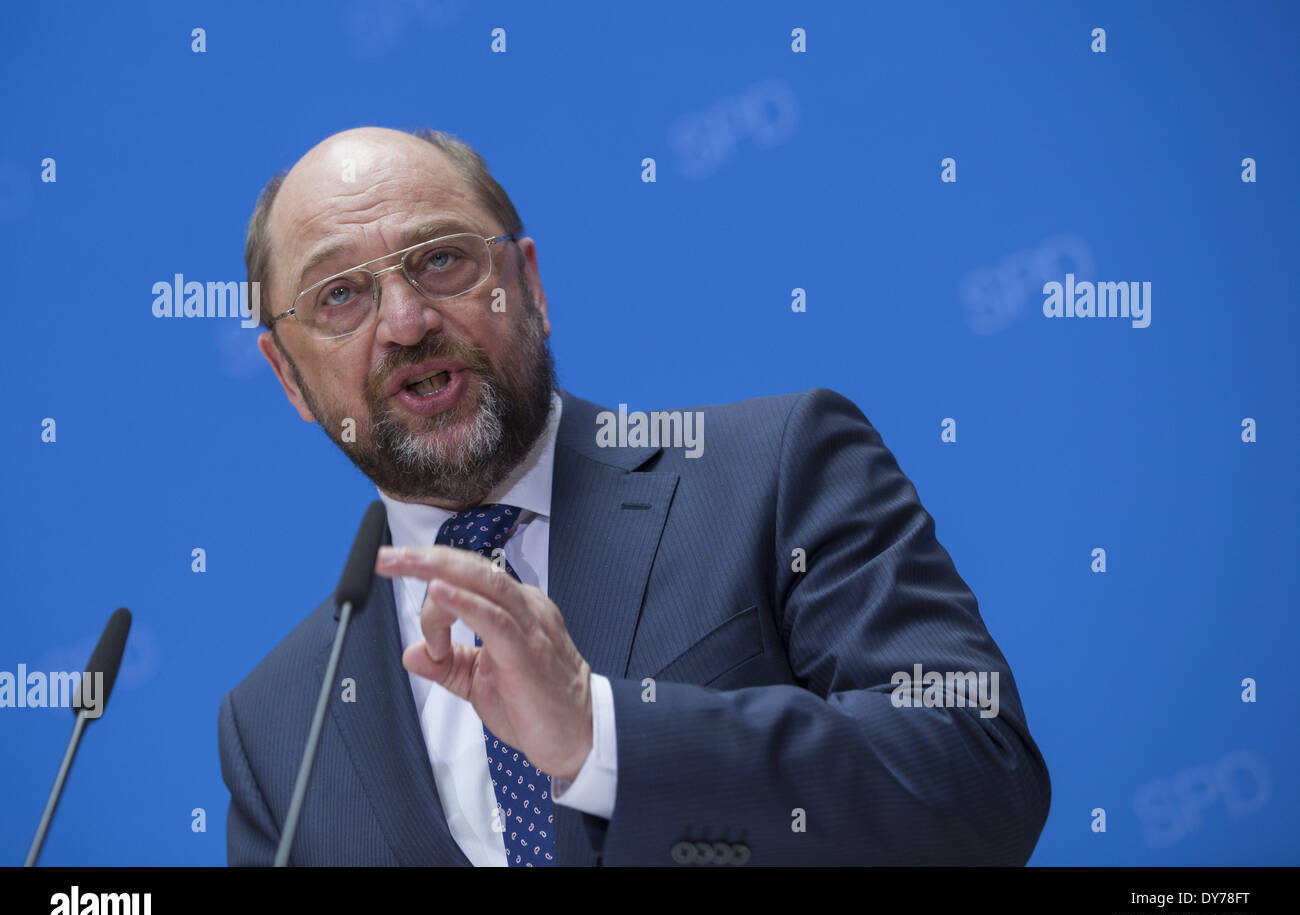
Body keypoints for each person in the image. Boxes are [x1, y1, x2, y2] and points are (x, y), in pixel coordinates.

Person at [218, 125, 1051, 866]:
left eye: (441, 259)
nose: (404, 321)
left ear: (530, 286)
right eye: (339, 296)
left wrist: (601, 735)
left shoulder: (776, 471)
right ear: (288, 376)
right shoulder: (276, 727)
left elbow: (978, 776)